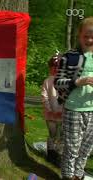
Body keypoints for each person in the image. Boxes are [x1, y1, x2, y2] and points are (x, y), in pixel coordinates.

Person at [54, 17, 93, 180]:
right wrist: (77, 82)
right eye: (86, 36)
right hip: (73, 109)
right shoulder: (69, 56)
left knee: (86, 149)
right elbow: (57, 82)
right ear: (79, 35)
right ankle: (68, 177)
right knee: (72, 149)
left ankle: (78, 176)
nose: (90, 40)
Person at [41, 53, 63, 166]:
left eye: (58, 67)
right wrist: (49, 110)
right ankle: (51, 154)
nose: (55, 69)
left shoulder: (64, 82)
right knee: (52, 134)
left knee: (60, 136)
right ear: (50, 68)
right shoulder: (47, 81)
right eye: (53, 67)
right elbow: (44, 97)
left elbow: (65, 97)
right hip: (50, 114)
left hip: (61, 114)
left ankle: (58, 156)